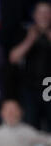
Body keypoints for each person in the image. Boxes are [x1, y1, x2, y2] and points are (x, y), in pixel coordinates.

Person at [9, 2, 51, 131]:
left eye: (47, 13)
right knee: (30, 122)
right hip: (29, 86)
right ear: (34, 15)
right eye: (40, 13)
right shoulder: (24, 31)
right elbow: (13, 58)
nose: (43, 16)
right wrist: (30, 39)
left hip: (48, 85)